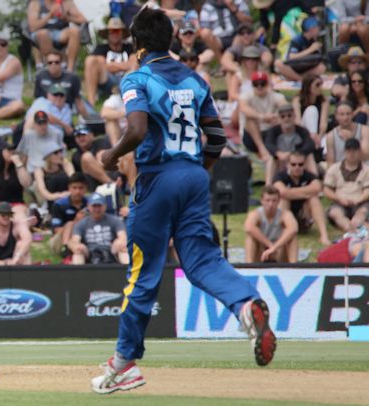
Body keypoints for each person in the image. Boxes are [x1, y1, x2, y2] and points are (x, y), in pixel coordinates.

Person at [91, 8, 276, 394]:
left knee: (143, 273)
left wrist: (110, 156)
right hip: (194, 176)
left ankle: (124, 363)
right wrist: (195, 171)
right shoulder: (195, 79)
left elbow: (138, 128)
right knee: (202, 259)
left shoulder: (137, 77)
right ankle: (246, 303)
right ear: (171, 41)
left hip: (158, 178)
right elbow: (218, 138)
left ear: (137, 44)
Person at [273, 151, 330, 246]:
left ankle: (324, 235)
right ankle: (280, 234)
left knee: (313, 199)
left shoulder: (309, 176)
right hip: (286, 218)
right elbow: (282, 192)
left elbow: (317, 188)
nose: (297, 167)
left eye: (300, 164)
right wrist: (306, 193)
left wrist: (291, 193)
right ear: (288, 164)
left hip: (303, 219)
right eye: (293, 164)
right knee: (284, 200)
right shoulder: (280, 176)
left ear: (304, 165)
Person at [84, 18, 136, 105]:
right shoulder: (101, 48)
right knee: (90, 60)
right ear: (108, 34)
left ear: (122, 33)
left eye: (117, 31)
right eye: (112, 31)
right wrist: (125, 65)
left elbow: (134, 64)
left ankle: (128, 98)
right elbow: (100, 66)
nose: (115, 34)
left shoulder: (130, 47)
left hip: (126, 80)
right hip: (107, 81)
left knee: (135, 60)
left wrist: (111, 65)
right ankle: (91, 104)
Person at [68, 192, 128, 265]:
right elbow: (74, 240)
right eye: (94, 206)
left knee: (123, 249)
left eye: (99, 206)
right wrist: (76, 246)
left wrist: (120, 242)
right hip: (89, 253)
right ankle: (78, 275)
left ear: (105, 206)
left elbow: (123, 236)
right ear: (88, 206)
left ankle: (128, 273)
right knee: (77, 254)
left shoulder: (115, 220)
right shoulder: (81, 223)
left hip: (111, 251)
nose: (97, 209)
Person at [263, 103, 316, 185]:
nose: (286, 119)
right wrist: (278, 153)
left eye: (289, 115)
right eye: (283, 116)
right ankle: (268, 186)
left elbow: (310, 144)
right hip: (280, 162)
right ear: (279, 118)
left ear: (294, 116)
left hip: (298, 162)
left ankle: (315, 182)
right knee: (271, 158)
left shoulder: (302, 131)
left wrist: (293, 154)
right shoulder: (273, 131)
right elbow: (268, 144)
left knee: (310, 156)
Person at [26, 0, 87, 71]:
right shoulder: (36, 3)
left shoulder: (65, 2)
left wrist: (67, 17)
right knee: (43, 34)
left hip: (60, 32)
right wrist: (50, 14)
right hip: (41, 32)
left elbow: (83, 19)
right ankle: (53, 63)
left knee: (75, 31)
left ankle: (70, 69)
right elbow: (33, 27)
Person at [239, 71, 287, 161]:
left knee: (282, 119)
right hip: (251, 137)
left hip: (271, 133)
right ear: (252, 85)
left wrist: (275, 117)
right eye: (256, 84)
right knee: (250, 120)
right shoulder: (246, 96)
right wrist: (262, 117)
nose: (259, 86)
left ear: (267, 84)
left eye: (262, 83)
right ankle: (262, 150)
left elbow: (285, 107)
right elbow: (244, 108)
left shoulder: (276, 96)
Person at [323, 138, 369, 232]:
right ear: (344, 152)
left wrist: (358, 200)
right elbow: (327, 190)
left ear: (359, 152)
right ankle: (349, 227)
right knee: (335, 213)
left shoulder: (367, 170)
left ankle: (355, 225)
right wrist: (339, 199)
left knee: (362, 212)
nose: (351, 154)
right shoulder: (334, 168)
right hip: (340, 202)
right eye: (349, 150)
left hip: (360, 202)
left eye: (354, 150)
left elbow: (367, 191)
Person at [244, 185, 299, 263]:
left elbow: (293, 229)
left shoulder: (284, 214)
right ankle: (249, 267)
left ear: (279, 201)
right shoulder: (256, 214)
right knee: (250, 238)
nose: (271, 204)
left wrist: (274, 248)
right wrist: (269, 245)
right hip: (261, 250)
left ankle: (294, 267)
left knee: (292, 238)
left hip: (278, 251)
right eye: (267, 200)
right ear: (262, 201)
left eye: (274, 200)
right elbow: (249, 227)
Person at [33, 50, 88, 117]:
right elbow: (36, 99)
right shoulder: (40, 76)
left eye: (57, 62)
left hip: (64, 111)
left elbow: (78, 101)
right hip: (44, 110)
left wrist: (87, 119)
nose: (53, 65)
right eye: (50, 62)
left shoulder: (72, 78)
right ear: (46, 64)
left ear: (61, 63)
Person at [274, 16, 326, 82]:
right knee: (278, 63)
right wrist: (311, 49)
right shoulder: (297, 40)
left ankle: (293, 77)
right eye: (317, 27)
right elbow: (292, 57)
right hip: (295, 65)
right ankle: (300, 79)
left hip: (306, 66)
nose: (319, 29)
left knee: (321, 67)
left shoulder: (313, 40)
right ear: (312, 29)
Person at [48, 172, 88, 256]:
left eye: (81, 188)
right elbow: (56, 230)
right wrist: (76, 222)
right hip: (60, 239)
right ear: (69, 188)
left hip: (83, 236)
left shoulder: (90, 204)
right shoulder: (59, 204)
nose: (77, 191)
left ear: (86, 189)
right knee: (69, 224)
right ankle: (66, 249)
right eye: (74, 188)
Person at [0, 202, 32, 266]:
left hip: (16, 261)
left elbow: (27, 239)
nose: (6, 217)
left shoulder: (17, 225)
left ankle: (25, 274)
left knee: (21, 245)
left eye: (9, 214)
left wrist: (18, 256)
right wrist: (7, 263)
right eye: (3, 215)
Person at [324, 101, 369, 167]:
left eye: (348, 114)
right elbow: (330, 163)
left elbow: (366, 156)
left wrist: (352, 140)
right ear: (336, 116)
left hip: (363, 170)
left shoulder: (364, 130)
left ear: (353, 114)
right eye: (342, 114)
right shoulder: (330, 136)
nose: (345, 117)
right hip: (342, 171)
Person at [292, 73, 328, 146]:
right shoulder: (298, 100)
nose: (320, 87)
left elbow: (323, 123)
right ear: (308, 86)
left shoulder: (324, 101)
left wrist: (319, 137)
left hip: (318, 134)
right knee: (311, 109)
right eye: (317, 85)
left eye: (321, 84)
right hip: (303, 132)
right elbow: (298, 122)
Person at [34, 143, 74, 207]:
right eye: (56, 153)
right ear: (48, 156)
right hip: (53, 202)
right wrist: (59, 196)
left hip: (71, 198)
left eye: (60, 152)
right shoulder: (39, 170)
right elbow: (43, 191)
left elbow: (74, 181)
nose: (60, 155)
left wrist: (70, 193)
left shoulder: (65, 164)